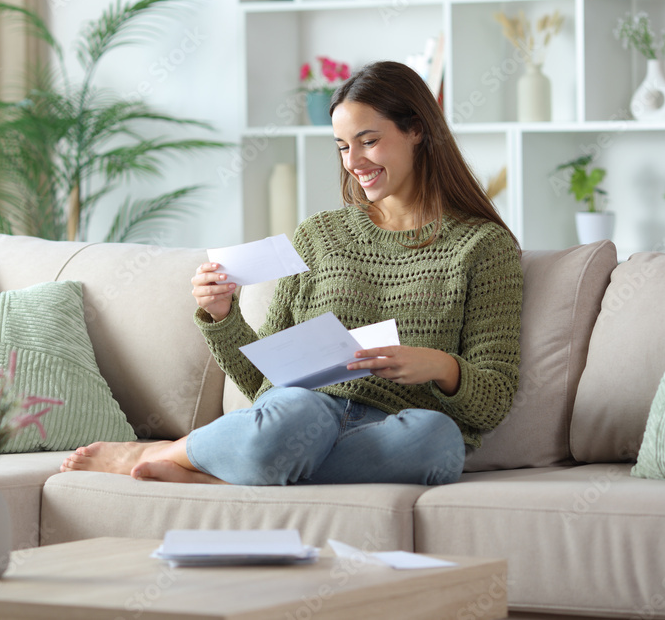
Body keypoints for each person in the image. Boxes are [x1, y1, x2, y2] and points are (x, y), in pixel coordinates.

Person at [60, 60, 523, 486]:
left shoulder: (484, 248)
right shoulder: (319, 236)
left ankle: (218, 470)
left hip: (391, 427)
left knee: (439, 442)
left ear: (417, 130)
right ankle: (181, 451)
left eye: (368, 140)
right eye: (343, 146)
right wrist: (222, 317)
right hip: (303, 413)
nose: (353, 162)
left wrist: (440, 366)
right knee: (297, 415)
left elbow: (494, 398)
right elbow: (263, 386)